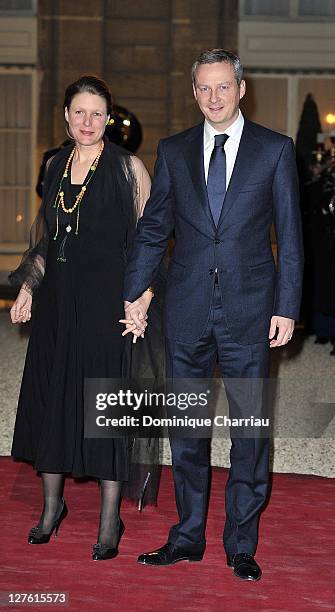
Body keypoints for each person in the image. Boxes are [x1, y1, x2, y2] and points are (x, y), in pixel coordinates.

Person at [122, 49, 304, 580]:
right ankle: (187, 535)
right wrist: (134, 292)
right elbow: (155, 229)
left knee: (249, 431)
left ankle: (241, 542)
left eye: (224, 86)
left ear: (241, 88)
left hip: (251, 311)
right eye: (205, 88)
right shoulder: (174, 151)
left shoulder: (275, 150)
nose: (214, 97)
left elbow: (290, 237)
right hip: (186, 311)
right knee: (187, 430)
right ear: (195, 92)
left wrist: (287, 307)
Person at [9, 75, 154, 560]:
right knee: (54, 397)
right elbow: (49, 239)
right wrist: (29, 286)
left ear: (108, 117)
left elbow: (149, 246)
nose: (87, 122)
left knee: (105, 404)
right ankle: (52, 508)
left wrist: (143, 297)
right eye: (78, 112)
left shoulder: (130, 169)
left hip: (108, 307)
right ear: (66, 116)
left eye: (96, 113)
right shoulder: (53, 164)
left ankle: (110, 520)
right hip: (57, 302)